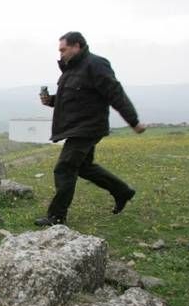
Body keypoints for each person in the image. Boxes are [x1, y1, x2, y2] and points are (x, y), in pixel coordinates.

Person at [35, 31, 145, 227]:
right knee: (84, 167)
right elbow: (74, 98)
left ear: (77, 46)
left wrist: (134, 122)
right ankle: (122, 191)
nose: (60, 54)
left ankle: (56, 217)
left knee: (65, 167)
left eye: (63, 49)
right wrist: (51, 100)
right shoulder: (70, 69)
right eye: (59, 50)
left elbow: (115, 94)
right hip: (77, 127)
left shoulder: (96, 64)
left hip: (88, 127)